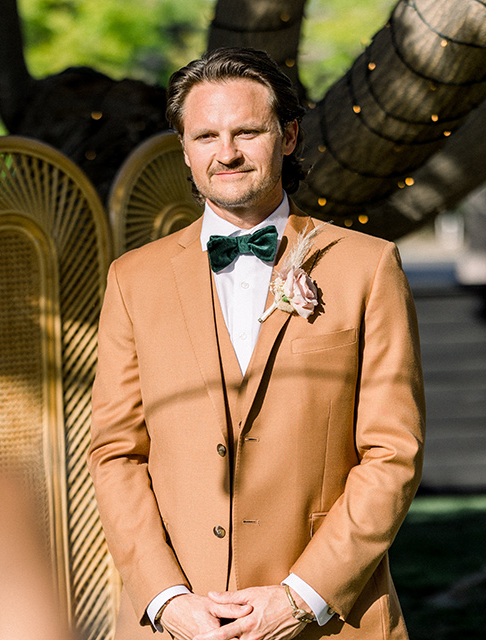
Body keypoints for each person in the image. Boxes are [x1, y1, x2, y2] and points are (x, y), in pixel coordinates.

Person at [87, 47, 424, 640]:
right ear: (185, 149)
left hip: (331, 621)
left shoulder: (368, 268)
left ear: (289, 135)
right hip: (176, 624)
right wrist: (167, 600)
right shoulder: (131, 279)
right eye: (206, 135)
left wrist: (303, 595)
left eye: (248, 131)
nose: (227, 153)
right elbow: (117, 454)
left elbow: (392, 453)